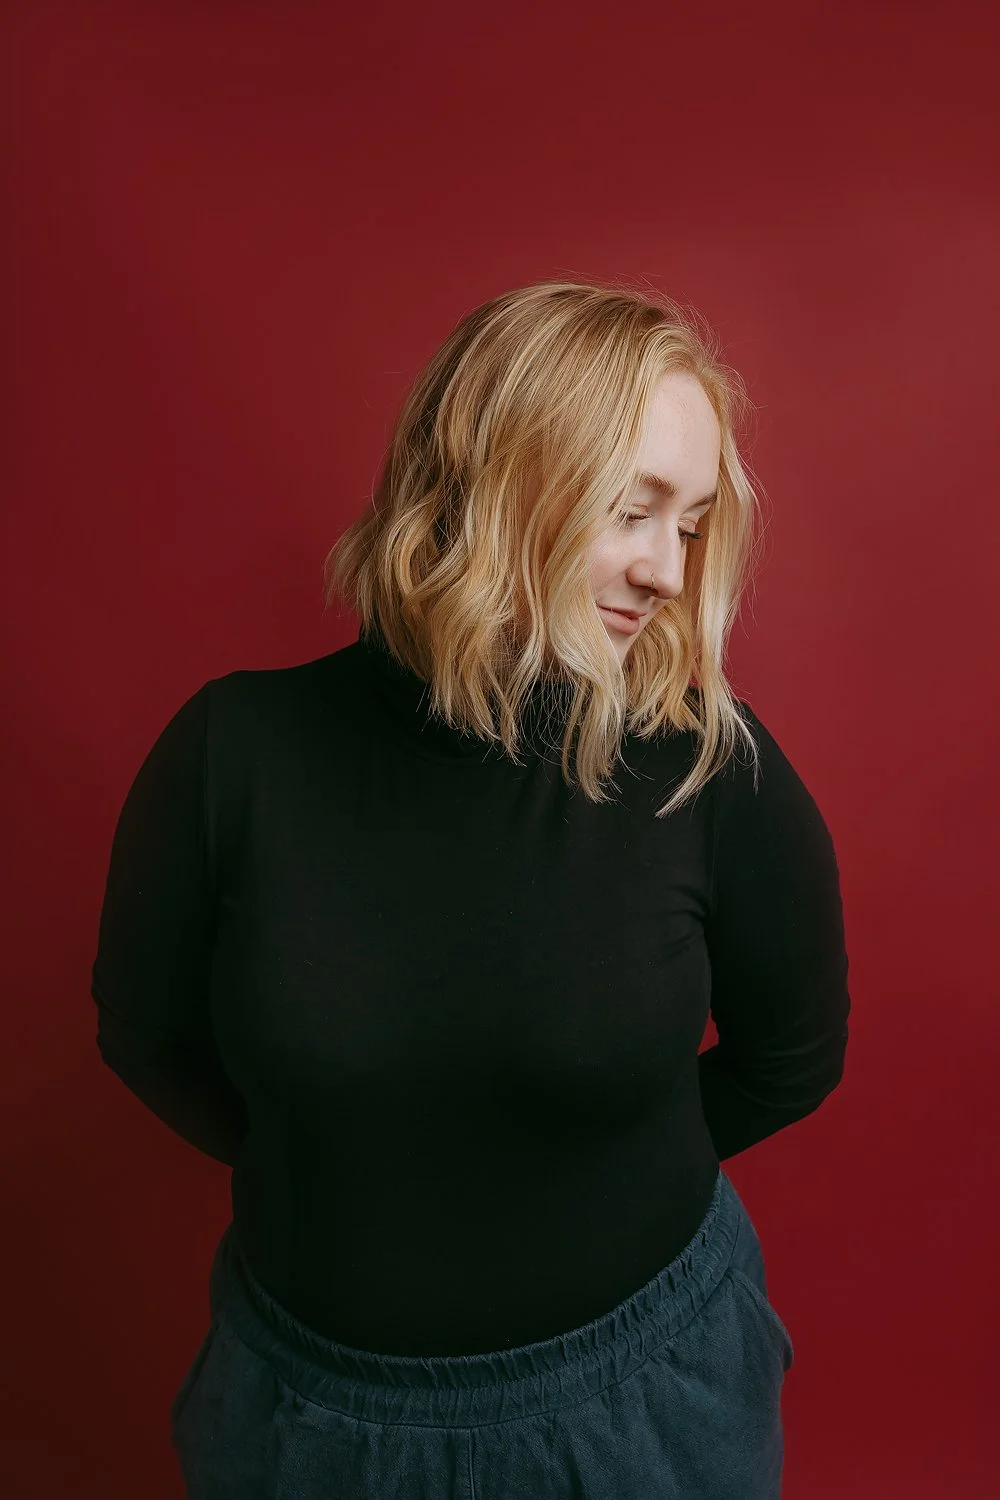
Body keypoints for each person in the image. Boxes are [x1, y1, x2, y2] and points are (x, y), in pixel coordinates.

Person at [90, 278, 851, 1499]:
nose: (667, 570)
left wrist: (563, 1179)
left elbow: (791, 1059)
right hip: (305, 1418)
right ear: (491, 485)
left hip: (640, 1411)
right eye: (631, 510)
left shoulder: (708, 769)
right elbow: (145, 1034)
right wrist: (357, 1155)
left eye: (693, 523)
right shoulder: (234, 753)